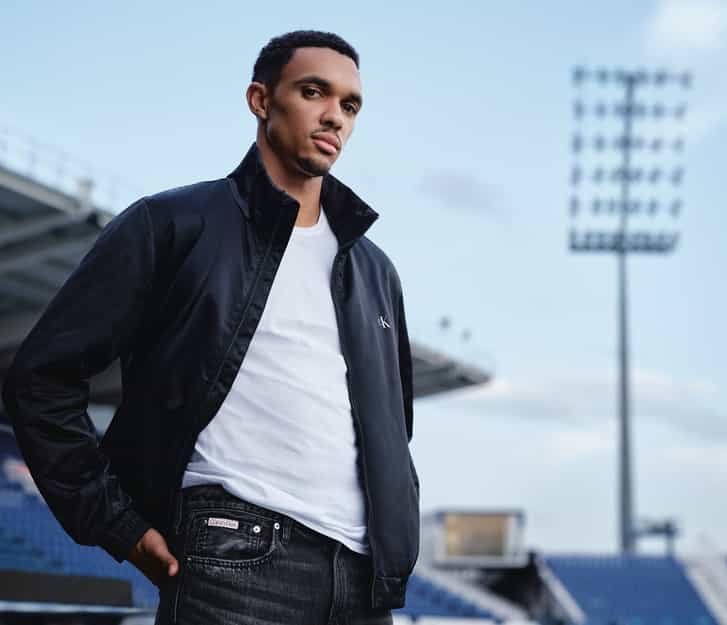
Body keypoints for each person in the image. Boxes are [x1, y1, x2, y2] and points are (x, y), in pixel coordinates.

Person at [1, 30, 419, 625]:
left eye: (350, 105)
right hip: (234, 554)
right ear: (260, 100)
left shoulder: (374, 270)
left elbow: (394, 427)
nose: (335, 116)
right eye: (313, 92)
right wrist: (117, 523)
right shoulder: (172, 224)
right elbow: (41, 378)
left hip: (362, 580)